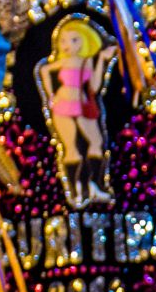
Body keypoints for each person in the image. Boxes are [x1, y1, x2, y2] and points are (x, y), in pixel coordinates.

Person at [38, 16, 119, 207]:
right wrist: (50, 94)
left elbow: (95, 86)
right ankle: (75, 191)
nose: (67, 45)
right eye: (64, 41)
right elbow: (44, 70)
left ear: (84, 40)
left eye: (74, 40)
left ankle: (96, 185)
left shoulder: (86, 61)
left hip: (82, 105)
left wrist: (102, 61)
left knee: (96, 142)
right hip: (63, 104)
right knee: (71, 148)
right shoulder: (62, 62)